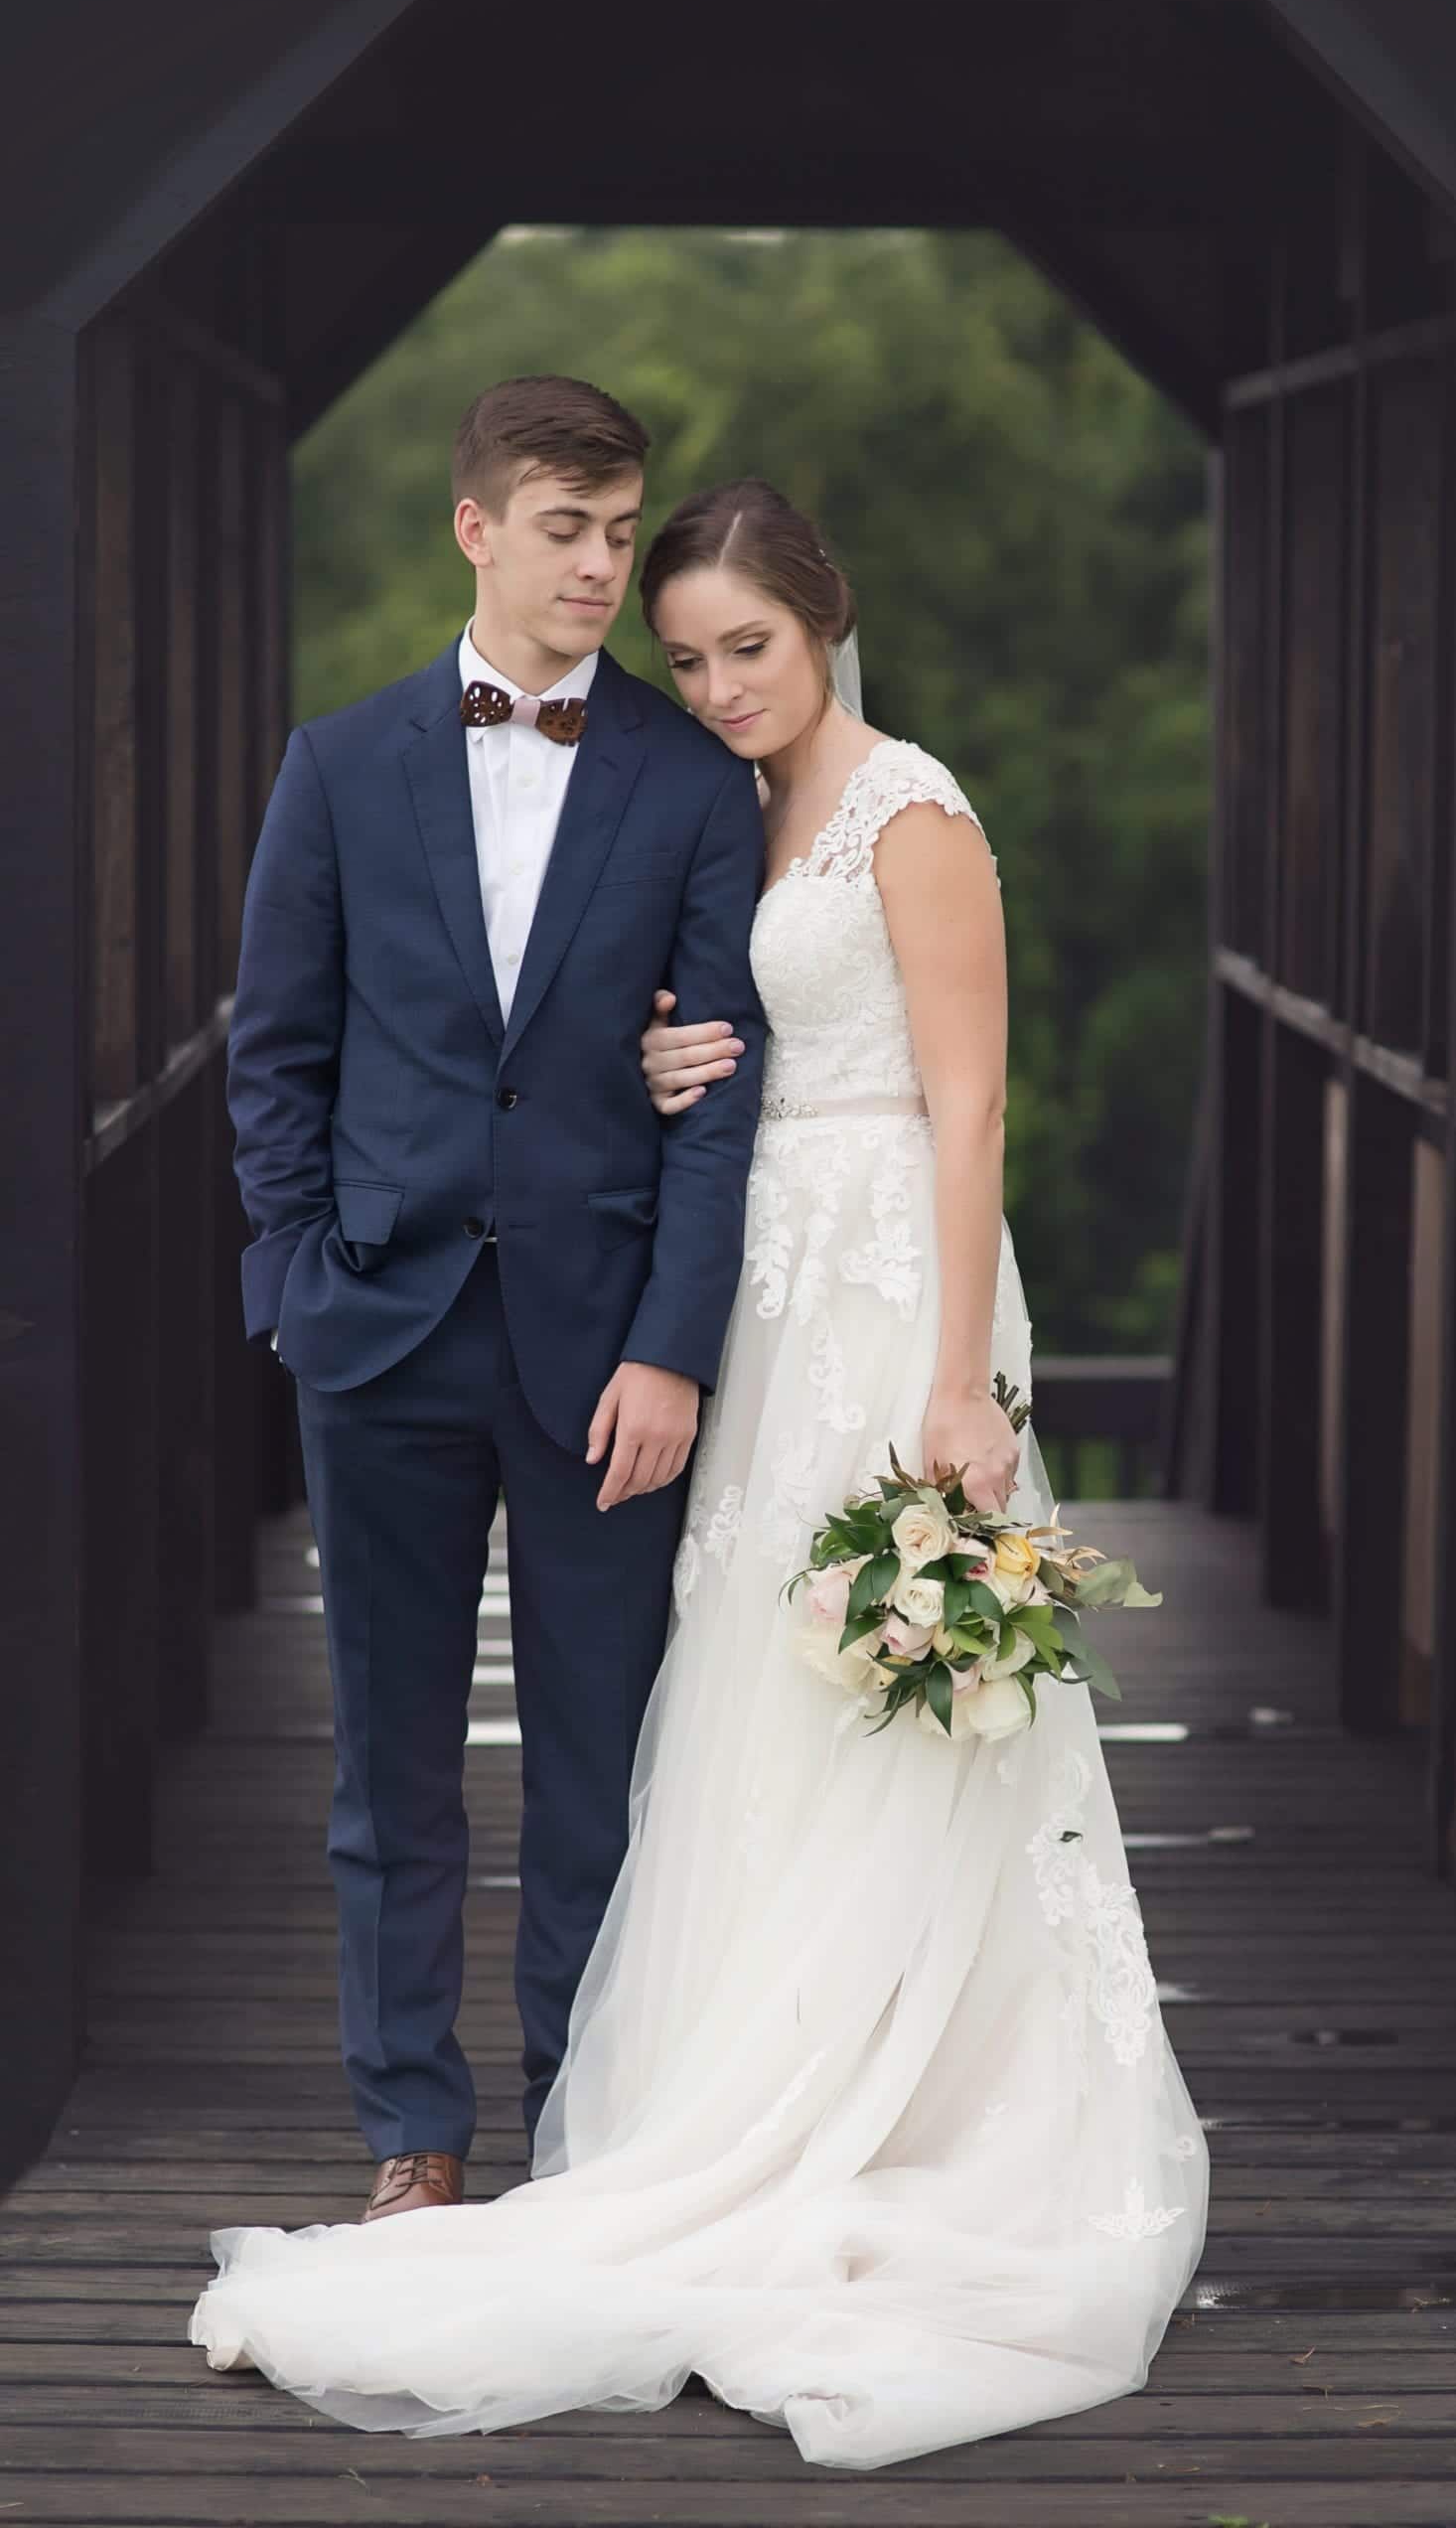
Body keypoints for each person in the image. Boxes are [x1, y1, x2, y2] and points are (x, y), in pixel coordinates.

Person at [194, 478, 1207, 2470]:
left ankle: (901, 2109)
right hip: (743, 1300)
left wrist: (959, 1382)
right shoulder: (702, 802)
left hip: (888, 1290)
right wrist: (681, 1066)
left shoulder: (907, 811)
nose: (719, 680)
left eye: (751, 643)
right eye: (691, 653)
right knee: (744, 1698)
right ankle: (682, 2095)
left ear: (824, 618)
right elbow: (668, 1027)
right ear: (481, 530)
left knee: (860, 1704)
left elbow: (967, 1090)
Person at [220, 377, 767, 2215]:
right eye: (566, 527)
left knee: (598, 1779)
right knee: (392, 1781)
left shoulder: (696, 784)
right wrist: (293, 1282)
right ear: (477, 528)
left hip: (604, 1354)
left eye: (622, 532)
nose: (603, 565)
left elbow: (721, 1088)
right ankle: (412, 2137)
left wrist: (675, 1347)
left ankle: (581, 2131)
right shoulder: (339, 764)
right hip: (377, 1334)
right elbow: (275, 1056)